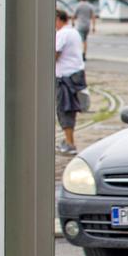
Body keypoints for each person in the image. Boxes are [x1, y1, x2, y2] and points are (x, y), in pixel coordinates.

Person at [53, 8, 86, 155]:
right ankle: (68, 141)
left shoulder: (62, 34)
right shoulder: (74, 32)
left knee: (64, 109)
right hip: (75, 74)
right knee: (69, 109)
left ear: (58, 19)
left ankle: (70, 143)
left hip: (66, 77)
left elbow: (54, 54)